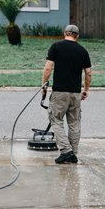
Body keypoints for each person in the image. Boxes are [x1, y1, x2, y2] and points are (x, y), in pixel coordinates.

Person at [42, 24, 92, 164]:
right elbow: (88, 73)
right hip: (75, 94)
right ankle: (73, 154)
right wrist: (86, 90)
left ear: (65, 33)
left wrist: (44, 85)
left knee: (56, 120)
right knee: (74, 123)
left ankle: (66, 151)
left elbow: (48, 68)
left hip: (59, 93)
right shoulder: (82, 50)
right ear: (77, 36)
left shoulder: (56, 47)